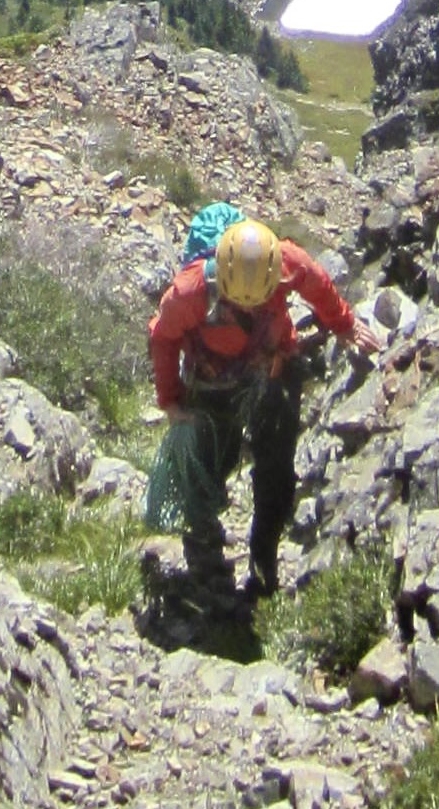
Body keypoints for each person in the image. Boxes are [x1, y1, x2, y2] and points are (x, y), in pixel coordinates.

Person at [146, 219, 383, 595]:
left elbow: (318, 283)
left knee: (276, 469)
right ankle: (205, 547)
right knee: (211, 461)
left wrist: (345, 324)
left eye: (258, 299)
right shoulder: (190, 291)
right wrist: (171, 402)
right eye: (240, 300)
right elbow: (163, 337)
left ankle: (263, 564)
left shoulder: (288, 262)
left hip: (272, 364)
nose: (249, 306)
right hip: (211, 377)